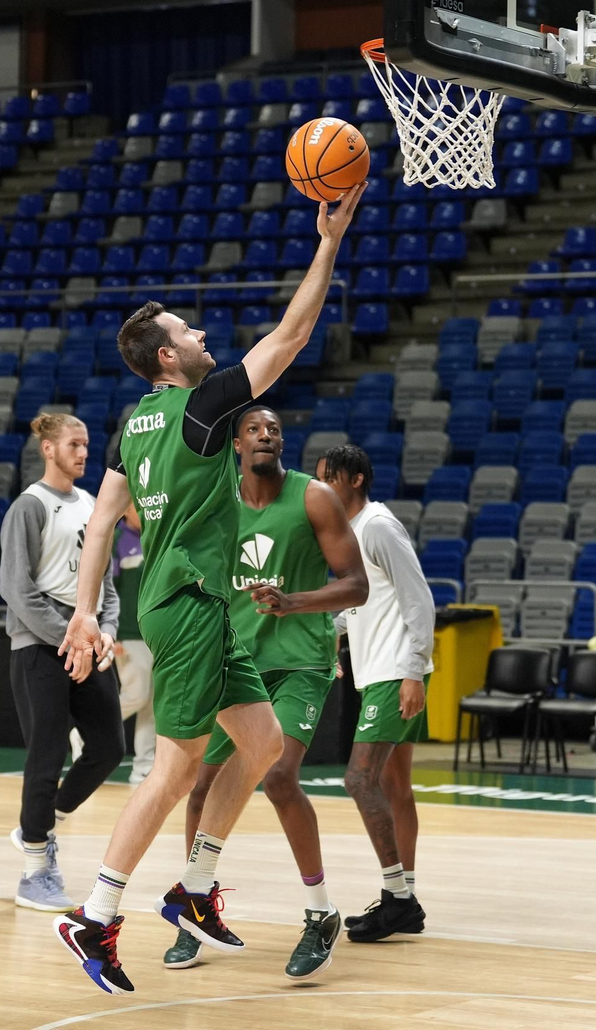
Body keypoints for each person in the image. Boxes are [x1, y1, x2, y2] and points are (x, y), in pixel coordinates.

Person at [50, 182, 366, 996]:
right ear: (168, 357)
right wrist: (328, 241)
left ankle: (193, 887)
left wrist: (87, 609)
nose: (202, 336)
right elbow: (292, 335)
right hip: (188, 603)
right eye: (188, 332)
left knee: (259, 746)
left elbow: (103, 523)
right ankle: (96, 915)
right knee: (177, 765)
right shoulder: (202, 406)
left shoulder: (134, 424)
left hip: (193, 603)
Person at [164, 407, 367, 978]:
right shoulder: (215, 501)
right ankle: (194, 909)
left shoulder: (313, 498)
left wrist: (295, 600)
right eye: (253, 428)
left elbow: (358, 586)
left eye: (274, 429)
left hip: (300, 660)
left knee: (278, 775)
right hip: (234, 660)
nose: (265, 435)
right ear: (234, 443)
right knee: (201, 787)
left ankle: (320, 911)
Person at [0, 412, 125, 913]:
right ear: (48, 449)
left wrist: (106, 632)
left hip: (84, 640)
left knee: (109, 748)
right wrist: (70, 641)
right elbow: (17, 589)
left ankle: (42, 821)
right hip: (38, 645)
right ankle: (34, 871)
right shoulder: (29, 506)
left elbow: (106, 587)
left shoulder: (94, 505)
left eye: (86, 445)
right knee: (46, 756)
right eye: (74, 444)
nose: (83, 452)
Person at [321, 443, 432, 943]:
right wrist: (332, 635)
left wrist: (413, 670)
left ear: (355, 480)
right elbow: (367, 605)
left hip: (394, 672)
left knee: (359, 779)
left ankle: (398, 898)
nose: (321, 487)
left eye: (330, 478)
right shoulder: (350, 533)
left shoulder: (380, 527)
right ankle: (402, 896)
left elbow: (419, 598)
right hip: (378, 671)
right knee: (395, 788)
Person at [113, 505, 156, 785]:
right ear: (126, 509)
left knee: (151, 702)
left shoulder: (157, 535)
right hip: (127, 633)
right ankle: (86, 732)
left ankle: (143, 767)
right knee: (136, 695)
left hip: (155, 633)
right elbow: (107, 588)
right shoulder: (116, 540)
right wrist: (111, 631)